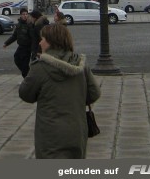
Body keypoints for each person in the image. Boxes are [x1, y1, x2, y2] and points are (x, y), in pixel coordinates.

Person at [19, 23, 101, 159]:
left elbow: (25, 94)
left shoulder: (40, 67)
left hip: (50, 133)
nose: (40, 42)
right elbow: (94, 94)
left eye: (43, 39)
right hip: (77, 130)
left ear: (51, 41)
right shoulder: (80, 64)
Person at [3, 7, 33, 77]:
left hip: (27, 47)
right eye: (23, 14)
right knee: (17, 59)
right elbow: (14, 36)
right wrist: (6, 43)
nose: (25, 15)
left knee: (25, 64)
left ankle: (27, 78)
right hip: (21, 46)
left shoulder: (30, 25)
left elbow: (33, 37)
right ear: (20, 15)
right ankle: (28, 76)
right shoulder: (19, 24)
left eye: (26, 14)